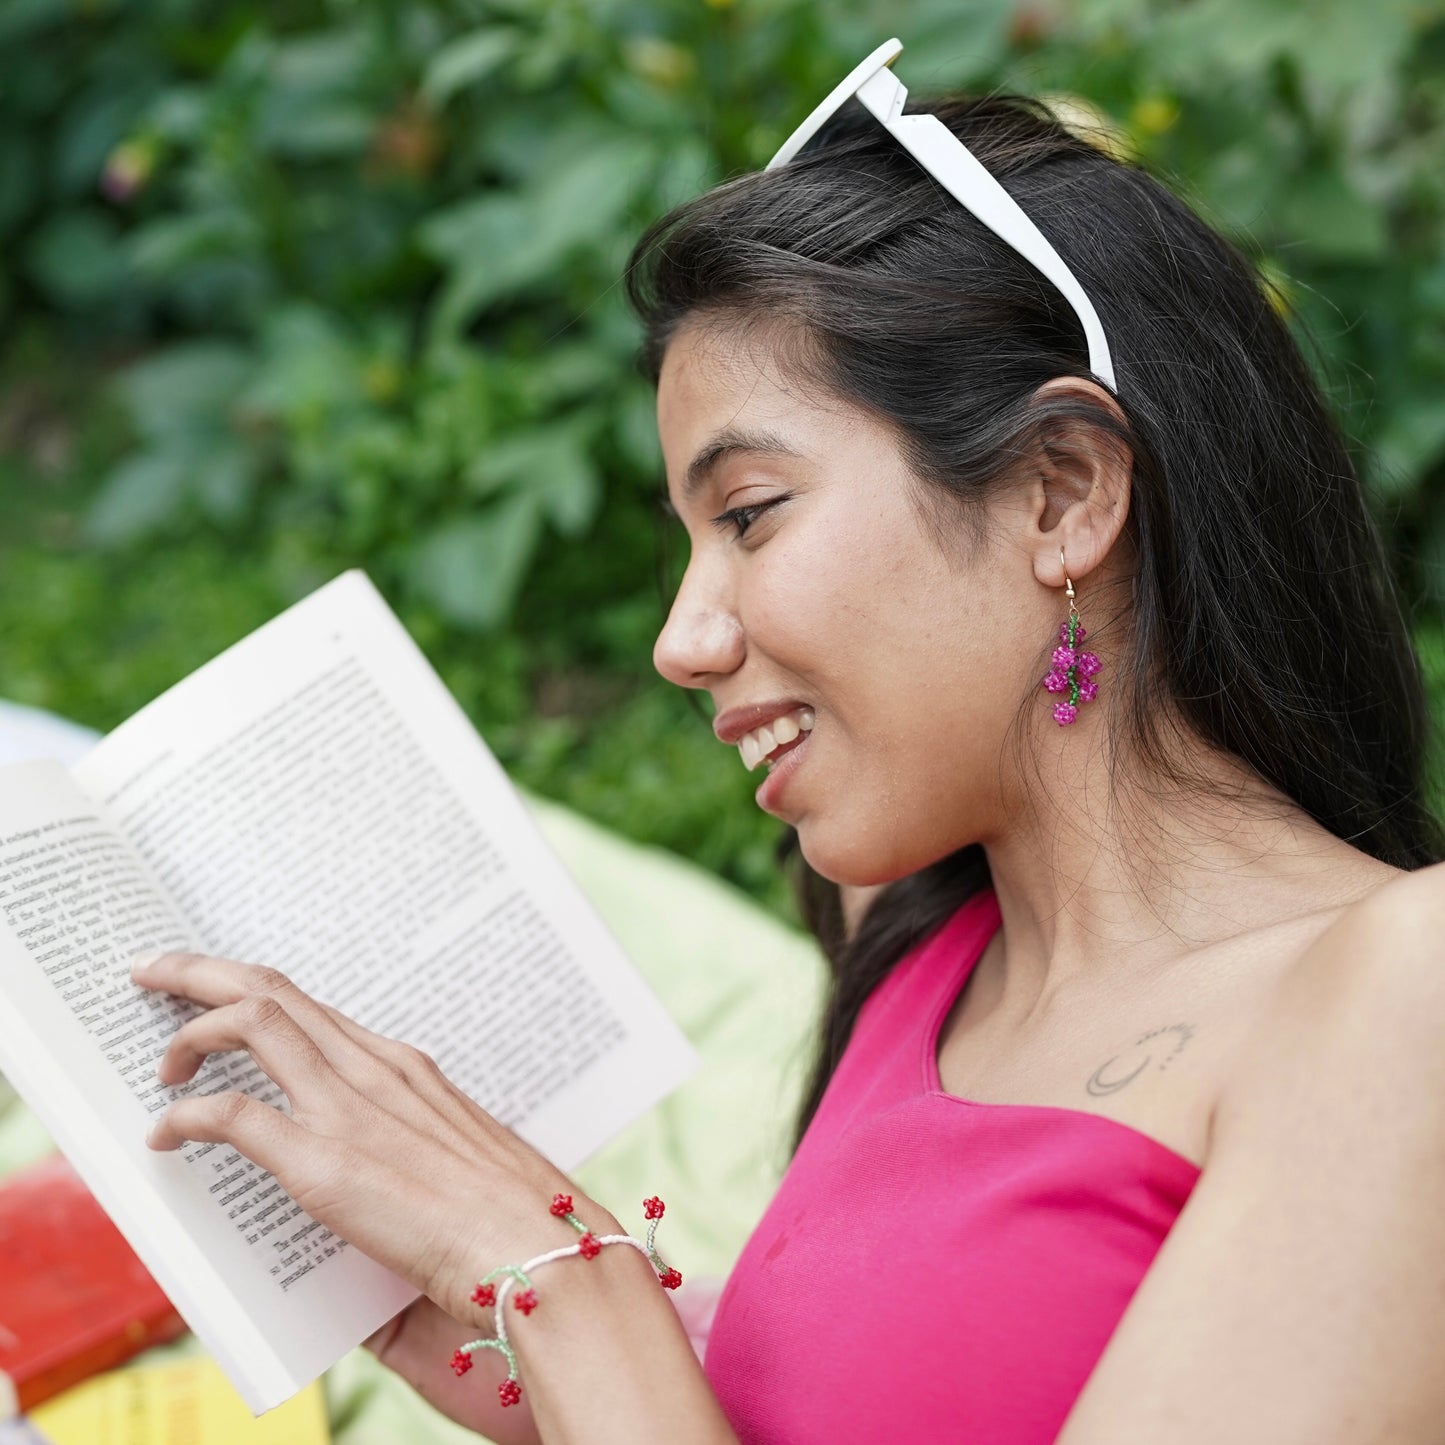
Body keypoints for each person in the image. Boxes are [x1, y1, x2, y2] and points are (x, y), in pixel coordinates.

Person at [130, 47, 1445, 1445]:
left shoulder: (1401, 990)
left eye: (750, 513)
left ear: (1061, 493)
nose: (682, 639)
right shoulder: (930, 943)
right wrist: (520, 1337)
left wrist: (560, 1279)